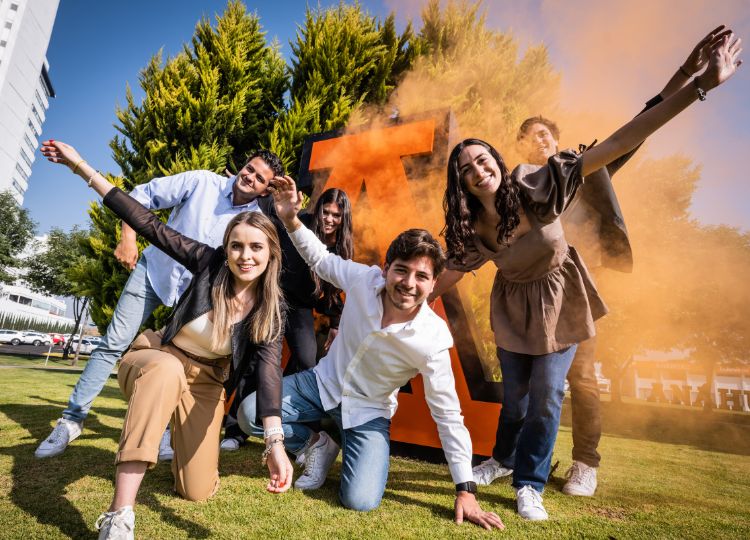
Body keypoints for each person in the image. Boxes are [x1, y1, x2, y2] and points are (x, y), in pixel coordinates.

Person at [431, 32, 741, 520]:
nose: (477, 169)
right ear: (462, 182)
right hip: (515, 304)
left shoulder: (547, 179)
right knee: (513, 400)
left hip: (564, 295)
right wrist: (395, 299)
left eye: (482, 159)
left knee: (556, 392)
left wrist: (697, 83)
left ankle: (543, 477)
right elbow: (449, 270)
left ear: (500, 159)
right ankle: (505, 457)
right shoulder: (473, 227)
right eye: (467, 167)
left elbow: (626, 136)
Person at [40, 140, 293, 540]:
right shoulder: (209, 262)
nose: (245, 255)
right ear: (225, 249)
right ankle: (120, 511)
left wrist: (274, 444)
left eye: (256, 247)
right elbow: (147, 222)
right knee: (166, 371)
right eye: (237, 246)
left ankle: (176, 435)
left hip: (207, 384)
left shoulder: (269, 308)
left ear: (271, 254)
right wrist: (81, 166)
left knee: (197, 491)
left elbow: (268, 374)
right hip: (159, 357)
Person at [237, 175, 504, 530]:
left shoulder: (432, 338)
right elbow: (319, 258)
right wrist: (290, 219)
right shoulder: (364, 279)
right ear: (387, 269)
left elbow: (448, 415)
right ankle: (317, 443)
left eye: (421, 276)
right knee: (250, 414)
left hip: (368, 411)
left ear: (433, 283)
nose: (409, 283)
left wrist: (465, 488)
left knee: (360, 500)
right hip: (320, 384)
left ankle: (342, 446)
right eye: (401, 270)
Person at [220, 188, 354, 450]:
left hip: (301, 308)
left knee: (307, 359)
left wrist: (336, 323)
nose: (329, 218)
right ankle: (235, 431)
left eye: (336, 215)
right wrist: (245, 190)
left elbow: (334, 289)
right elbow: (271, 208)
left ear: (344, 217)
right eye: (325, 212)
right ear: (317, 210)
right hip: (273, 297)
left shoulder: (341, 246)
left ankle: (302, 430)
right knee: (254, 362)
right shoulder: (299, 220)